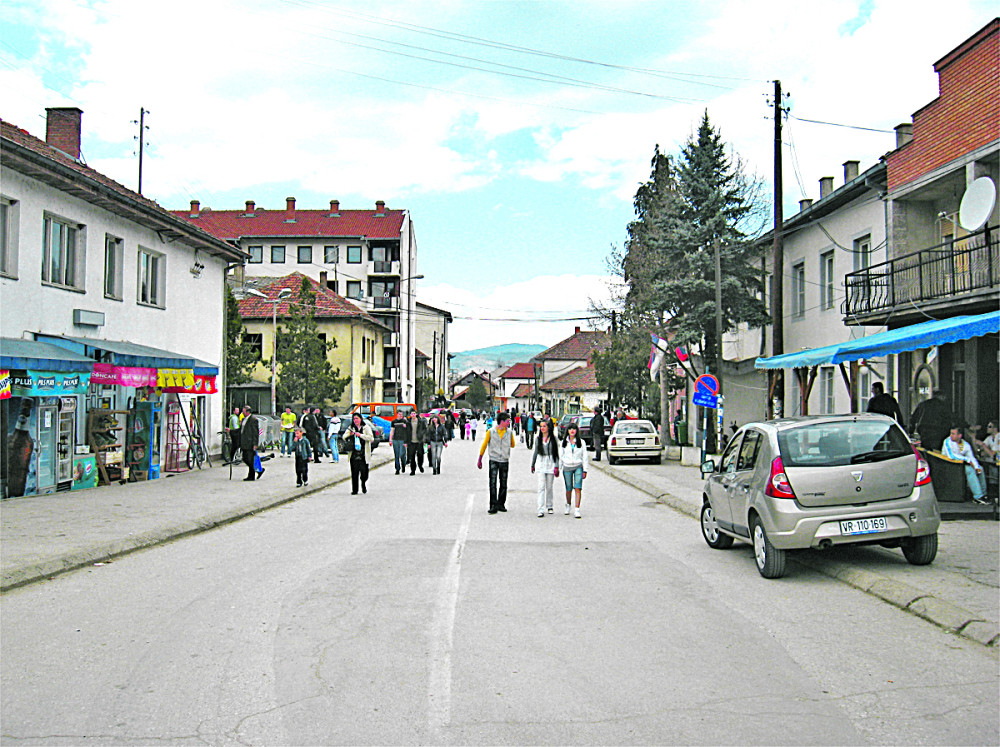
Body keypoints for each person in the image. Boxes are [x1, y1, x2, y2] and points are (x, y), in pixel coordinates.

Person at [478, 411, 516, 514]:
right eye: (508, 421)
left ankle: (501, 504)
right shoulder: (491, 432)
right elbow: (484, 444)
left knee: (503, 483)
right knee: (493, 483)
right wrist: (480, 458)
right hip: (494, 459)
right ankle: (493, 504)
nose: (509, 423)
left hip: (504, 459)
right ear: (502, 421)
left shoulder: (509, 432)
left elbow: (513, 444)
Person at [942, 424, 989, 504]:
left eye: (953, 434)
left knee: (980, 469)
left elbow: (971, 457)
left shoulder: (965, 444)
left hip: (960, 464)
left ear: (959, 435)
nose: (951, 435)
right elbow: (951, 455)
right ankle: (978, 496)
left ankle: (983, 494)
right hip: (949, 465)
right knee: (970, 470)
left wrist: (977, 467)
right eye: (951, 433)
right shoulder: (947, 441)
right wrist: (967, 460)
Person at [531, 417, 560, 517]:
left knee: (549, 486)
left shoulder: (553, 439)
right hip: (541, 462)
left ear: (548, 427)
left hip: (551, 462)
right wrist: (533, 464)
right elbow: (535, 452)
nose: (542, 428)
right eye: (541, 426)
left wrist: (557, 466)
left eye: (544, 426)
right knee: (541, 487)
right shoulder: (538, 439)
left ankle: (549, 505)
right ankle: (540, 508)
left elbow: (556, 453)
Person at [560, 421, 589, 518]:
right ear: (567, 431)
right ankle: (568, 504)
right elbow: (561, 456)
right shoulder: (564, 443)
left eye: (574, 429)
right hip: (567, 466)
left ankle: (577, 509)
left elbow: (585, 456)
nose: (572, 431)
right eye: (570, 429)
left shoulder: (581, 442)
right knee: (569, 488)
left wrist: (585, 470)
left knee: (578, 487)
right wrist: (559, 467)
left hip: (578, 466)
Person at [345, 413, 374, 494]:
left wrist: (361, 435)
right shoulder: (351, 428)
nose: (355, 420)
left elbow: (371, 438)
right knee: (354, 473)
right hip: (354, 454)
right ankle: (355, 490)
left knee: (364, 473)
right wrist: (349, 434)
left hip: (363, 454)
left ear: (360, 419)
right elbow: (344, 436)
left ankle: (363, 483)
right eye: (354, 419)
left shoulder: (366, 427)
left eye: (357, 418)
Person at [240, 406, 259, 481]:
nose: (242, 413)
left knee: (250, 459)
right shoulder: (244, 419)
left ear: (248, 412)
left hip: (250, 442)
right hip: (244, 442)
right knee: (245, 458)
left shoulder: (253, 419)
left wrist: (255, 444)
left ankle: (251, 475)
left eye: (243, 411)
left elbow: (255, 433)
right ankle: (255, 471)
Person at [407, 410, 427, 475]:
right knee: (411, 456)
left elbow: (425, 430)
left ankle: (420, 465)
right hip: (411, 442)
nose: (413, 415)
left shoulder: (421, 422)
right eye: (412, 414)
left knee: (420, 455)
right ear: (410, 415)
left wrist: (424, 439)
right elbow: (406, 432)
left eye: (414, 413)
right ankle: (413, 470)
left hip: (419, 441)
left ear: (416, 414)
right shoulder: (408, 422)